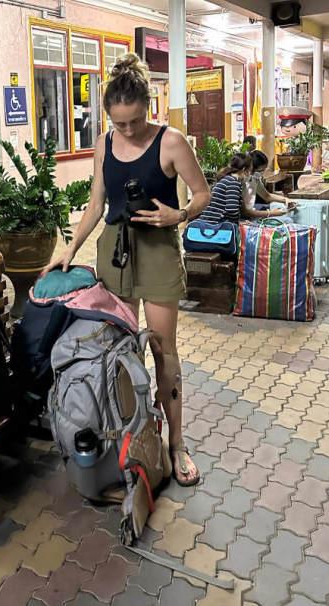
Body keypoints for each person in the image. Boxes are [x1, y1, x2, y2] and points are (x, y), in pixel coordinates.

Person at [42, 53, 210, 487]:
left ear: (147, 107)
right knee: (116, 351)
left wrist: (180, 216)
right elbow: (97, 204)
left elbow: (202, 194)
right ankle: (128, 433)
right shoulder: (102, 143)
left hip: (157, 253)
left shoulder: (171, 141)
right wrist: (69, 249)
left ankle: (176, 443)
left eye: (135, 121)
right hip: (113, 252)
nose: (128, 130)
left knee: (161, 350)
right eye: (120, 124)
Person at [199, 153, 290, 224]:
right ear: (244, 170)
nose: (251, 174)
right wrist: (271, 213)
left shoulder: (230, 180)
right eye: (250, 170)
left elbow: (240, 210)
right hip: (218, 224)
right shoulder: (233, 183)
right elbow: (232, 211)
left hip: (219, 222)